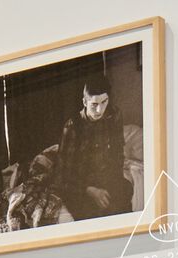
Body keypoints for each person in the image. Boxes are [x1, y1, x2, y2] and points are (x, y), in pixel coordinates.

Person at [54, 73, 132, 220]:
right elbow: (63, 174)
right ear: (84, 102)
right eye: (94, 104)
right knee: (91, 213)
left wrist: (113, 182)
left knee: (126, 191)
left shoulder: (114, 115)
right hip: (80, 185)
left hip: (106, 178)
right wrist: (90, 190)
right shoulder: (72, 127)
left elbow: (117, 153)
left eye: (104, 102)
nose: (100, 110)